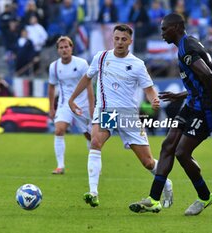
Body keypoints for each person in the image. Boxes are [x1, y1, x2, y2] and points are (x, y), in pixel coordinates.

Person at [129, 13, 212, 216]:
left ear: (175, 27)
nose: (162, 33)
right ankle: (154, 199)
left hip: (207, 108)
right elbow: (202, 80)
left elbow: (208, 75)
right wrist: (181, 95)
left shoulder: (186, 49)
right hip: (193, 103)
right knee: (168, 145)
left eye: (164, 29)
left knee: (182, 153)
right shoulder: (185, 45)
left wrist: (210, 99)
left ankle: (204, 197)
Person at [68, 24, 173, 208]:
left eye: (123, 39)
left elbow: (149, 89)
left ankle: (166, 182)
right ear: (112, 39)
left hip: (127, 115)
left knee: (148, 162)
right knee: (95, 142)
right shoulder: (101, 58)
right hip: (106, 112)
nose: (119, 42)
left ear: (130, 41)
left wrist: (154, 100)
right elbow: (87, 77)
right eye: (116, 38)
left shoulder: (138, 65)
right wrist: (72, 98)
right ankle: (93, 192)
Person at [48, 36, 94, 175]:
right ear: (58, 50)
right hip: (65, 103)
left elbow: (89, 86)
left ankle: (94, 164)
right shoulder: (54, 67)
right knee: (59, 130)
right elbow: (51, 87)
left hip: (82, 104)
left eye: (66, 47)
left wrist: (92, 106)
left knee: (89, 136)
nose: (64, 50)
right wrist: (51, 107)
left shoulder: (81, 64)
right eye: (61, 48)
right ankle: (60, 166)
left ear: (71, 48)